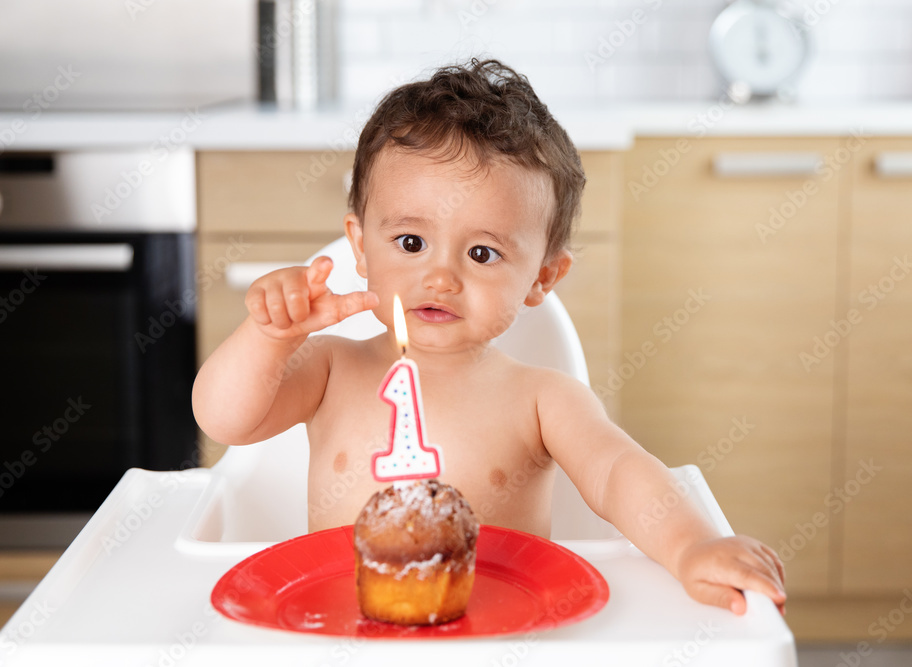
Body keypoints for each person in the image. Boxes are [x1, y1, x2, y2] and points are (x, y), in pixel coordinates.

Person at [192, 58, 786, 616]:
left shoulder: (542, 399)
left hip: (500, 637)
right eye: (410, 243)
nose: (441, 277)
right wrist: (269, 337)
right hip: (344, 634)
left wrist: (690, 546)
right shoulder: (328, 369)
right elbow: (224, 420)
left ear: (543, 277)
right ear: (360, 247)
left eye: (482, 253)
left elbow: (620, 475)